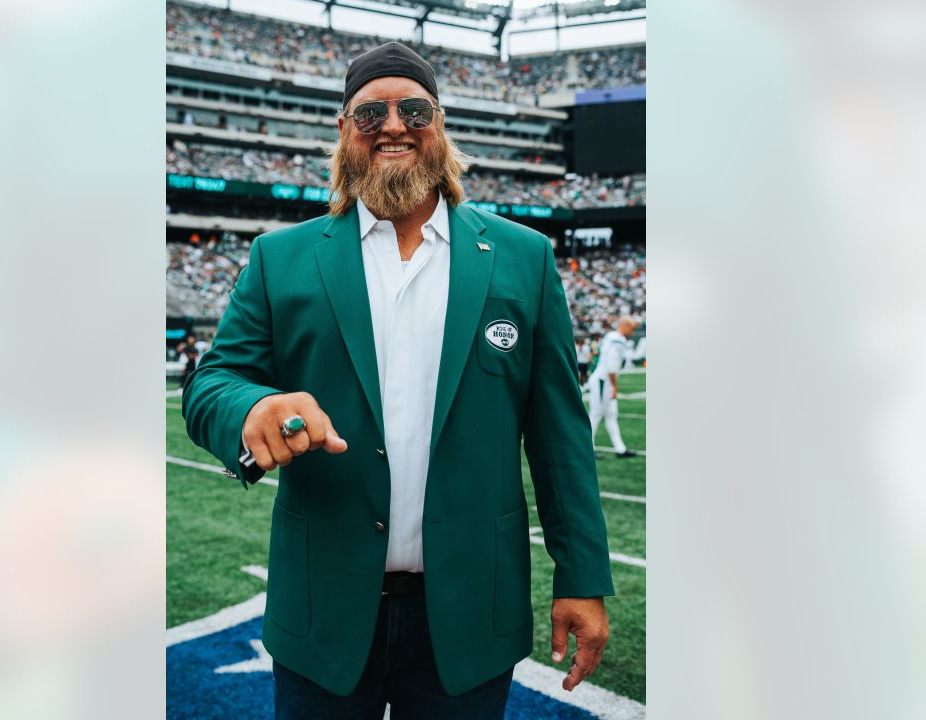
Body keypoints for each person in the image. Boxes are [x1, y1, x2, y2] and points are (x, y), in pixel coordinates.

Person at [182, 41, 613, 719]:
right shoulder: (280, 260)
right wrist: (252, 406)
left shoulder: (522, 259)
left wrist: (582, 575)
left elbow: (560, 436)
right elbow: (212, 383)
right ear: (344, 133)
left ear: (439, 125)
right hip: (322, 612)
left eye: (414, 109)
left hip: (471, 614)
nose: (393, 125)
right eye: (369, 113)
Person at [588, 316, 639, 459]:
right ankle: (588, 449)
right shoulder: (618, 339)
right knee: (596, 414)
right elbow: (611, 366)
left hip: (603, 380)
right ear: (626, 325)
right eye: (632, 329)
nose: (632, 332)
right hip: (603, 381)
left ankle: (620, 449)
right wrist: (614, 386)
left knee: (611, 415)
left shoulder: (611, 336)